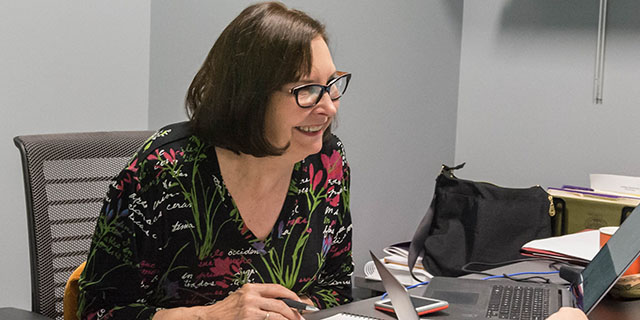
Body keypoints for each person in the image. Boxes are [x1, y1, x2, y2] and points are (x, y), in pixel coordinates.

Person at [77, 2, 353, 319]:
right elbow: (99, 312)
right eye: (307, 90)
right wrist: (210, 316)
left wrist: (284, 313)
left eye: (332, 85)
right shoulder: (164, 168)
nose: (329, 108)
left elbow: (336, 289)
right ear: (250, 96)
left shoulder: (327, 162)